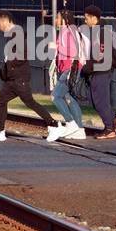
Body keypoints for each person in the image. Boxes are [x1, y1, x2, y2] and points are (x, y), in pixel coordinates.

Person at [0, 11, 64, 142]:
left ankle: (54, 125)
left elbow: (23, 54)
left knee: (30, 102)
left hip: (19, 77)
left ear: (5, 21)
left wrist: (9, 64)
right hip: (13, 78)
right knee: (2, 100)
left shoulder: (17, 33)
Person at [81, 5, 116, 139]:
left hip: (102, 70)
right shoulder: (97, 31)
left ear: (94, 18)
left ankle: (109, 129)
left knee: (100, 100)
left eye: (86, 18)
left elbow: (100, 55)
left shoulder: (101, 32)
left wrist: (87, 68)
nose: (85, 21)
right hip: (97, 70)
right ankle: (113, 118)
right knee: (94, 99)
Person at [48, 8, 88, 140]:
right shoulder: (70, 30)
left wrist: (56, 46)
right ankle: (80, 130)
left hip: (70, 69)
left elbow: (73, 51)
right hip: (70, 69)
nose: (55, 20)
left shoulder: (68, 31)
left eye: (58, 17)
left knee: (55, 96)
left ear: (64, 19)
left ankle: (70, 123)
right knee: (69, 98)